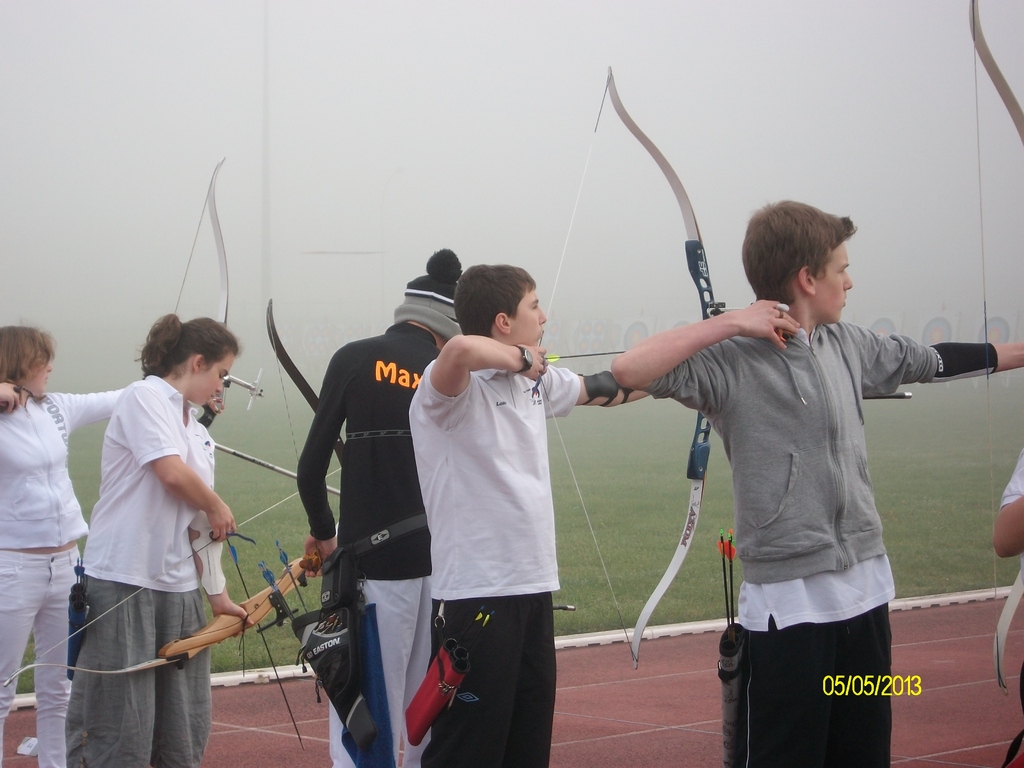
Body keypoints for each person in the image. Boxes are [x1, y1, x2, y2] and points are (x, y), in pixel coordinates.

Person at [610, 199, 1024, 768]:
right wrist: (732, 322)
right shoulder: (730, 361)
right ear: (808, 278)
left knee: (863, 750)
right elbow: (629, 369)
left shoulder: (847, 343)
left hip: (866, 598)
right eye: (840, 269)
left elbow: (934, 360)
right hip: (790, 611)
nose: (849, 282)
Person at [408, 263, 642, 768]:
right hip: (476, 599)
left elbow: (612, 387)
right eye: (534, 306)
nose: (544, 316)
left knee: (527, 747)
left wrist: (705, 356)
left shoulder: (535, 383)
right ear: (503, 322)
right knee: (468, 753)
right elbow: (459, 349)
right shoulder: (449, 391)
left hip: (533, 592)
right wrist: (522, 359)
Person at [297, 248, 463, 768]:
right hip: (442, 569)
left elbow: (310, 470)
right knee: (425, 711)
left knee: (367, 711)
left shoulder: (354, 357)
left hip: (371, 569)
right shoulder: (451, 372)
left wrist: (327, 537)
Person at [65, 314, 248, 768]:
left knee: (180, 727)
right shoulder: (143, 397)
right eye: (221, 373)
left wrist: (218, 595)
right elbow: (170, 473)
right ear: (197, 362)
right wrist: (215, 504)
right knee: (118, 723)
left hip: (178, 591)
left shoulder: (198, 432)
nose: (221, 386)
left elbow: (198, 526)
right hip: (123, 580)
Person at [0, 327, 120, 768]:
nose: (50, 367)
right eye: (42, 359)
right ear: (19, 363)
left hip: (67, 565)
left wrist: (182, 383)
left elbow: (121, 398)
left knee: (59, 688)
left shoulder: (55, 407)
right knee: (2, 687)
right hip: (12, 567)